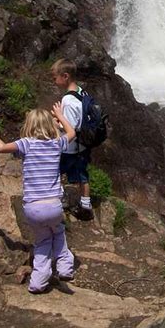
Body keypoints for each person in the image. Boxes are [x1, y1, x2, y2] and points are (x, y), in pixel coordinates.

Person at [0, 102, 76, 293]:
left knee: (42, 241)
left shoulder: (25, 144)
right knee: (57, 232)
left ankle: (37, 283)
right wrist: (60, 115)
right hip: (54, 205)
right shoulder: (56, 144)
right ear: (50, 126)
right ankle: (65, 267)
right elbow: (72, 132)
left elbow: (0, 147)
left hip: (33, 207)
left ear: (29, 126)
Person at [51, 58, 94, 220]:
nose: (54, 82)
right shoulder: (82, 92)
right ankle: (85, 204)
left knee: (57, 172)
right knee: (83, 175)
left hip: (69, 147)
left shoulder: (68, 101)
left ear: (65, 76)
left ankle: (60, 200)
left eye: (55, 78)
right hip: (83, 144)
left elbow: (68, 128)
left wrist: (57, 119)